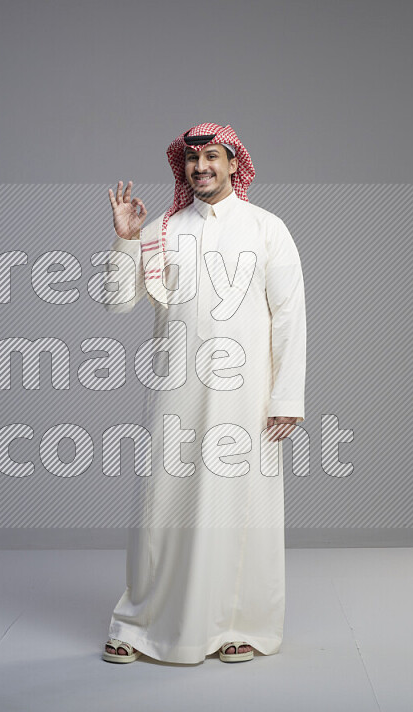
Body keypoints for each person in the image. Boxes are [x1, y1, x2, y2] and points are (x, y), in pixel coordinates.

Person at [100, 123, 306, 664]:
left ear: (234, 164)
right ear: (182, 167)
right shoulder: (161, 231)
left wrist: (287, 398)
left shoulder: (267, 229)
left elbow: (290, 317)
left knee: (241, 508)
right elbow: (118, 302)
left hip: (247, 396)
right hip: (174, 391)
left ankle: (240, 624)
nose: (201, 168)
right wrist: (125, 238)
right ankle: (142, 622)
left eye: (212, 157)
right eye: (192, 160)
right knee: (162, 507)